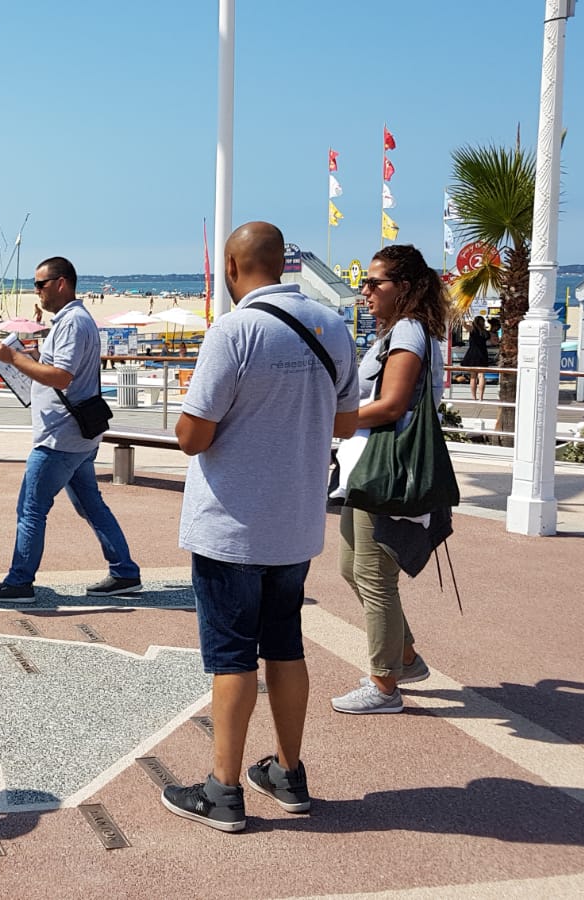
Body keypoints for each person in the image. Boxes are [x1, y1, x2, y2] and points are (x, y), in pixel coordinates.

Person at [162, 222, 357, 833]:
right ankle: (289, 772)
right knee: (285, 646)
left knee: (231, 657)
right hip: (295, 522)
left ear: (231, 265)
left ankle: (222, 789)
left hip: (232, 525)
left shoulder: (235, 329)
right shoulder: (333, 326)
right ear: (285, 264)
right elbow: (347, 424)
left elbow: (192, 436)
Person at [331, 244, 451, 716]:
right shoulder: (400, 332)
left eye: (374, 282)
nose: (365, 291)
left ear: (403, 287)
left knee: (374, 576)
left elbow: (393, 405)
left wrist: (332, 420)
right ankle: (405, 657)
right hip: (368, 466)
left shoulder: (408, 332)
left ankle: (385, 686)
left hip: (388, 469)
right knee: (350, 566)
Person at [0, 256, 141, 603]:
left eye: (41, 284)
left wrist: (15, 359)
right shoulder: (72, 321)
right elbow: (60, 368)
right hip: (77, 435)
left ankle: (20, 581)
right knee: (91, 505)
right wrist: (34, 356)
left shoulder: (71, 323)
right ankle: (125, 571)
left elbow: (61, 377)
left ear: (61, 283)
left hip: (60, 437)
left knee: (31, 508)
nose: (36, 291)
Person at [459, 315, 494, 401]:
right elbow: (493, 341)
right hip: (482, 354)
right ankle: (481, 397)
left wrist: (462, 315)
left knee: (473, 377)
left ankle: (474, 397)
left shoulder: (473, 330)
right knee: (482, 376)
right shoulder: (485, 332)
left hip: (473, 354)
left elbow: (462, 324)